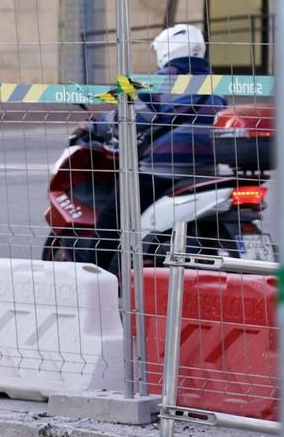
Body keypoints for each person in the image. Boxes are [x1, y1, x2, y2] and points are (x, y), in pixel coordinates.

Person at [72, 23, 224, 273]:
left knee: (112, 220)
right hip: (207, 171)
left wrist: (94, 125)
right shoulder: (216, 83)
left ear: (166, 51)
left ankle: (93, 279)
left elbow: (130, 118)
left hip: (163, 170)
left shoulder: (160, 80)